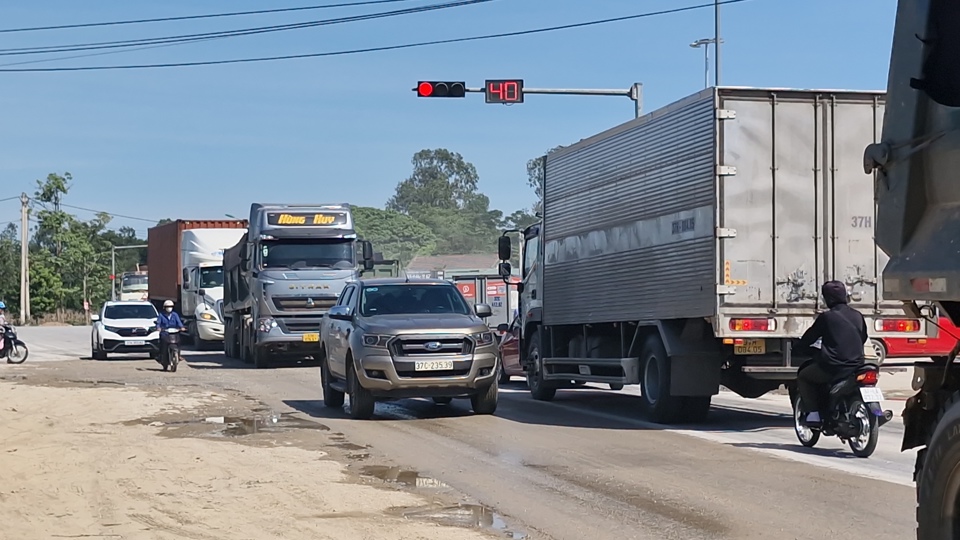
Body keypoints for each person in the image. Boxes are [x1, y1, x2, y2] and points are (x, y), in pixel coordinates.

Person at [796, 280, 868, 425]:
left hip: (834, 367)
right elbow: (863, 337)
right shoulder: (857, 315)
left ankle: (814, 415)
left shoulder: (826, 317)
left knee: (804, 376)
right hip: (857, 365)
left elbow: (809, 338)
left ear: (827, 298)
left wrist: (799, 349)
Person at [156, 300, 186, 365]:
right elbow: (158, 323)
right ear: (164, 307)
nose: (169, 308)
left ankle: (178, 355)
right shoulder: (161, 315)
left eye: (170, 306)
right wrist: (158, 327)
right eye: (167, 306)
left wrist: (181, 327)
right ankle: (160, 356)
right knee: (162, 344)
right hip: (165, 333)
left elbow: (179, 322)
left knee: (178, 343)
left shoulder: (175, 315)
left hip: (174, 333)